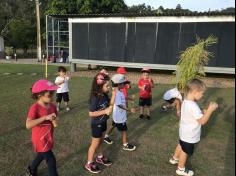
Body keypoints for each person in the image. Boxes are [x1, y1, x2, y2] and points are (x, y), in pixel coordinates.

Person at [169, 79, 218, 176]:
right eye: (202, 93)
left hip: (183, 132)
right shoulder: (193, 106)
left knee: (181, 144)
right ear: (195, 92)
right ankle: (181, 169)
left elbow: (191, 114)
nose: (202, 95)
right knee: (185, 151)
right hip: (190, 134)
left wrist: (202, 112)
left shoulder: (185, 101)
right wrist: (210, 110)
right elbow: (202, 121)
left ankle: (174, 159)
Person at [26, 80, 59, 176]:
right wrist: (45, 117)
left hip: (48, 136)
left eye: (53, 93)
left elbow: (56, 117)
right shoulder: (35, 108)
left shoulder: (52, 106)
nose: (52, 96)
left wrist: (55, 119)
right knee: (51, 159)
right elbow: (28, 125)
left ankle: (31, 168)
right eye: (49, 94)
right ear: (40, 95)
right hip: (39, 139)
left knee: (41, 154)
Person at [84, 73, 113, 174]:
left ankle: (100, 157)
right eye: (107, 85)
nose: (108, 87)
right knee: (94, 144)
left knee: (101, 141)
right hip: (96, 124)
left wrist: (114, 94)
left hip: (103, 122)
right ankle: (89, 163)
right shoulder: (95, 97)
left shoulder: (104, 95)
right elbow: (91, 113)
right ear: (100, 86)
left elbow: (110, 104)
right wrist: (104, 112)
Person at [105, 74, 136, 151]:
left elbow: (123, 97)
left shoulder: (118, 91)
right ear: (119, 84)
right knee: (124, 130)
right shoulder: (117, 93)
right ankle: (125, 144)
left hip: (117, 115)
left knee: (113, 125)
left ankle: (106, 136)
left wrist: (129, 98)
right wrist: (129, 110)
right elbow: (119, 105)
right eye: (124, 83)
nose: (125, 85)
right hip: (120, 116)